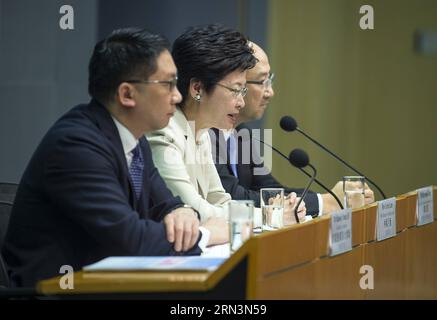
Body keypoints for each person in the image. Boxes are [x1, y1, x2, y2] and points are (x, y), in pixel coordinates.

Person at [2, 28, 226, 288]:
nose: (177, 96)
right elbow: (131, 240)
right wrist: (204, 234)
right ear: (127, 94)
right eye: (168, 84)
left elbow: (165, 204)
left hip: (109, 283)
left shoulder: (134, 139)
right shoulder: (76, 146)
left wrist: (182, 212)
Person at [146, 25, 307, 223]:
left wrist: (275, 210)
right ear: (197, 88)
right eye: (235, 90)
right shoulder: (164, 134)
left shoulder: (199, 132)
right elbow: (196, 211)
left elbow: (221, 201)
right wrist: (271, 215)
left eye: (243, 92)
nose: (240, 102)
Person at [210, 42, 375, 217]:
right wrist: (325, 202)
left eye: (270, 80)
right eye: (262, 82)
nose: (270, 92)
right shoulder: (205, 135)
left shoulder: (242, 133)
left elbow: (270, 190)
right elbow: (234, 198)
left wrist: (329, 198)